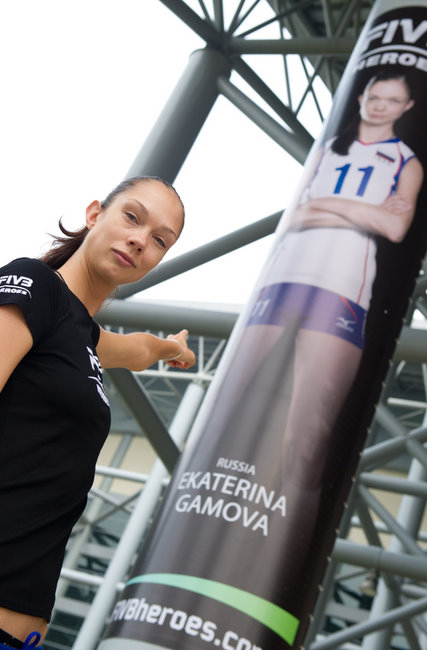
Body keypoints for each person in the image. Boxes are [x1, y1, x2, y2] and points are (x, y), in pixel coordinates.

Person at [0, 175, 196, 649]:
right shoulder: (36, 285)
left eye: (160, 241)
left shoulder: (82, 336)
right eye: (132, 217)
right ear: (94, 215)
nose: (140, 240)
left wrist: (174, 348)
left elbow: (136, 349)